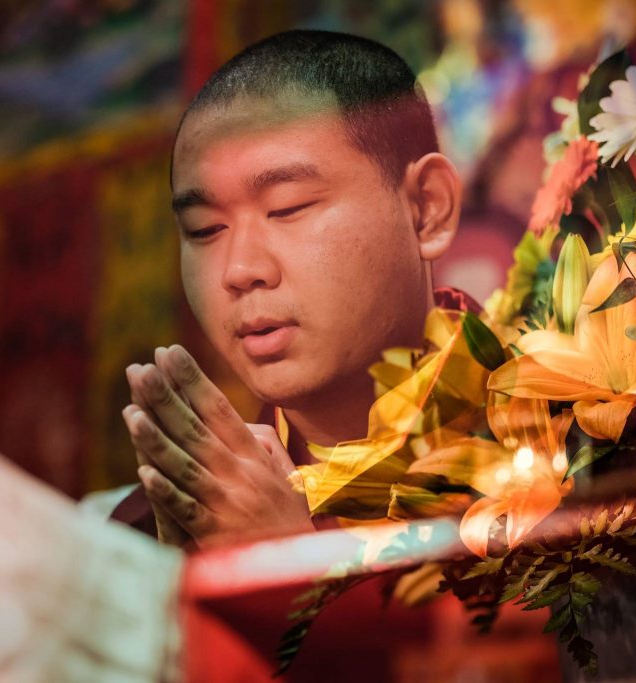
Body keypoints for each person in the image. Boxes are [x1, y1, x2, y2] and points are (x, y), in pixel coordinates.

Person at [112, 29, 471, 548]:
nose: (240, 269)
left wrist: (289, 564)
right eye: (204, 230)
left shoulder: (574, 442)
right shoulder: (152, 531)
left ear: (426, 208)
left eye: (288, 208)